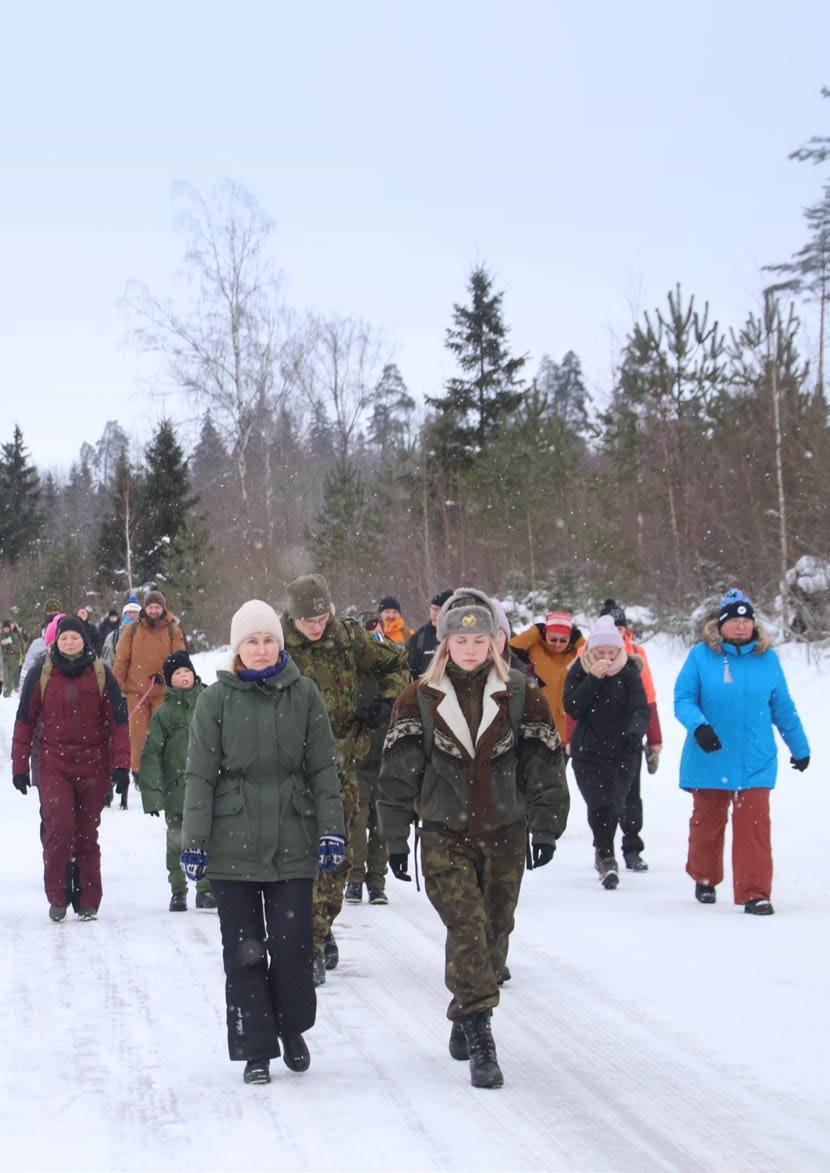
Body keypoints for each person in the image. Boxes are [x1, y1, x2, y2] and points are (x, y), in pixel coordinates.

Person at [378, 588, 569, 1089]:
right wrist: (395, 838)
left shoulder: (522, 694)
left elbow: (545, 763)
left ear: (495, 642)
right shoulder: (418, 698)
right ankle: (481, 1033)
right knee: (467, 925)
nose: (469, 648)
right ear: (445, 643)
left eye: (479, 639)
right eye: (460, 640)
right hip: (444, 833)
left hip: (506, 830)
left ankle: (466, 1008)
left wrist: (547, 824)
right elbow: (397, 774)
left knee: (496, 929)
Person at [180, 600, 345, 1085]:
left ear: (280, 643)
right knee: (245, 953)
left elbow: (323, 768)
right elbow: (200, 775)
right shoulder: (215, 700)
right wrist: (194, 840)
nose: (261, 648)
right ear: (237, 648)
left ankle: (291, 1028)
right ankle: (256, 1049)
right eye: (251, 641)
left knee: (293, 950)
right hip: (232, 843)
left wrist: (331, 828)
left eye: (269, 639)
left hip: (293, 838)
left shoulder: (304, 694)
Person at [282, 574, 410, 985]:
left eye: (322, 619)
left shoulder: (349, 637)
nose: (317, 627)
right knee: (292, 854)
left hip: (341, 758)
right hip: (287, 766)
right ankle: (308, 931)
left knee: (336, 852)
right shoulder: (274, 643)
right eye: (309, 621)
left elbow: (396, 661)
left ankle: (316, 935)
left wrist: (386, 701)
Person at [674, 588, 810, 916]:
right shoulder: (701, 656)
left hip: (756, 759)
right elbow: (683, 698)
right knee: (707, 825)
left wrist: (799, 747)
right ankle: (705, 876)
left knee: (754, 827)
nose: (741, 626)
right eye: (734, 620)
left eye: (746, 620)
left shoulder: (768, 659)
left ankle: (754, 893)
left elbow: (783, 707)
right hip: (710, 755)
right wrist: (699, 726)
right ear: (721, 624)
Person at [11, 615, 130, 921]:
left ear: (84, 640)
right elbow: (24, 721)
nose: (70, 642)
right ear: (56, 642)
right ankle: (58, 895)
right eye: (64, 637)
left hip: (94, 765)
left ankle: (89, 900)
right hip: (54, 765)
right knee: (59, 830)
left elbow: (118, 722)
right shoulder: (41, 673)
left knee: (87, 834)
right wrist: (19, 765)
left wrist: (121, 765)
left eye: (75, 637)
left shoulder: (101, 674)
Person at [564, 615, 650, 890]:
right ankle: (606, 855)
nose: (606, 657)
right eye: (600, 652)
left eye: (611, 652)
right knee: (599, 803)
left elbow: (641, 708)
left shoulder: (629, 672)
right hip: (588, 750)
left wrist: (635, 734)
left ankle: (605, 853)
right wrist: (593, 679)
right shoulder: (579, 670)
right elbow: (572, 707)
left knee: (614, 804)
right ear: (591, 650)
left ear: (619, 649)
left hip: (623, 750)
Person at [140, 651, 215, 912]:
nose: (183, 677)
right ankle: (178, 889)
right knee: (177, 841)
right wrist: (152, 794)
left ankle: (205, 888)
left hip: (207, 786)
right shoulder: (163, 713)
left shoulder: (209, 703)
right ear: (169, 680)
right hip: (176, 789)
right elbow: (151, 754)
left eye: (187, 672)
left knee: (206, 838)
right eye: (177, 674)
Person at [598, 599, 663, 872]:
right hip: (597, 736)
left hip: (629, 735)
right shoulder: (588, 652)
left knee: (631, 795)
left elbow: (649, 698)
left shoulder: (636, 653)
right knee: (602, 797)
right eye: (611, 627)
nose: (616, 632)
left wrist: (654, 738)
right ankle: (604, 850)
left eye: (620, 627)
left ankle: (632, 847)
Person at [113, 589, 186, 806]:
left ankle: (161, 772)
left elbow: (180, 659)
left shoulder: (173, 629)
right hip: (136, 692)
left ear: (163, 608)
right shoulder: (132, 629)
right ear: (145, 608)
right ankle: (137, 771)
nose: (153, 610)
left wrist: (169, 676)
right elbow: (121, 660)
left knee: (161, 735)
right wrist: (114, 687)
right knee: (135, 735)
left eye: (157, 607)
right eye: (150, 606)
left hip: (162, 691)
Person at [345, 612, 392, 906]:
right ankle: (354, 879)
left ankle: (376, 882)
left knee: (381, 824)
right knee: (356, 822)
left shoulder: (392, 672)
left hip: (386, 759)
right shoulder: (348, 673)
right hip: (357, 760)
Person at [510, 610, 585, 750]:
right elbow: (511, 647)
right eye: (553, 639)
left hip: (564, 727)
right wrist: (535, 630)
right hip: (537, 725)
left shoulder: (575, 653)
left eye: (563, 640)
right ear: (545, 634)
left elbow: (591, 653)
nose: (557, 644)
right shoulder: (535, 645)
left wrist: (579, 639)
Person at [407, 589, 454, 678]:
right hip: (426, 685)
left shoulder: (459, 637)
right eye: (432, 609)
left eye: (437, 610)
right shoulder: (420, 637)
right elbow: (409, 669)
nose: (433, 614)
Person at [101, 596, 141, 669]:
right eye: (129, 612)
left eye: (135, 612)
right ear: (124, 614)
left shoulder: (147, 635)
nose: (132, 615)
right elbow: (105, 664)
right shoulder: (113, 637)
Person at [2, 619, 25, 696]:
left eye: (7, 627)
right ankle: (9, 687)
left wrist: (10, 644)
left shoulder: (15, 635)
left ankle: (11, 689)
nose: (6, 629)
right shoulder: (2, 634)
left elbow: (19, 646)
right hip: (5, 657)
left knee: (13, 673)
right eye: (5, 628)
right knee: (7, 673)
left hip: (14, 657)